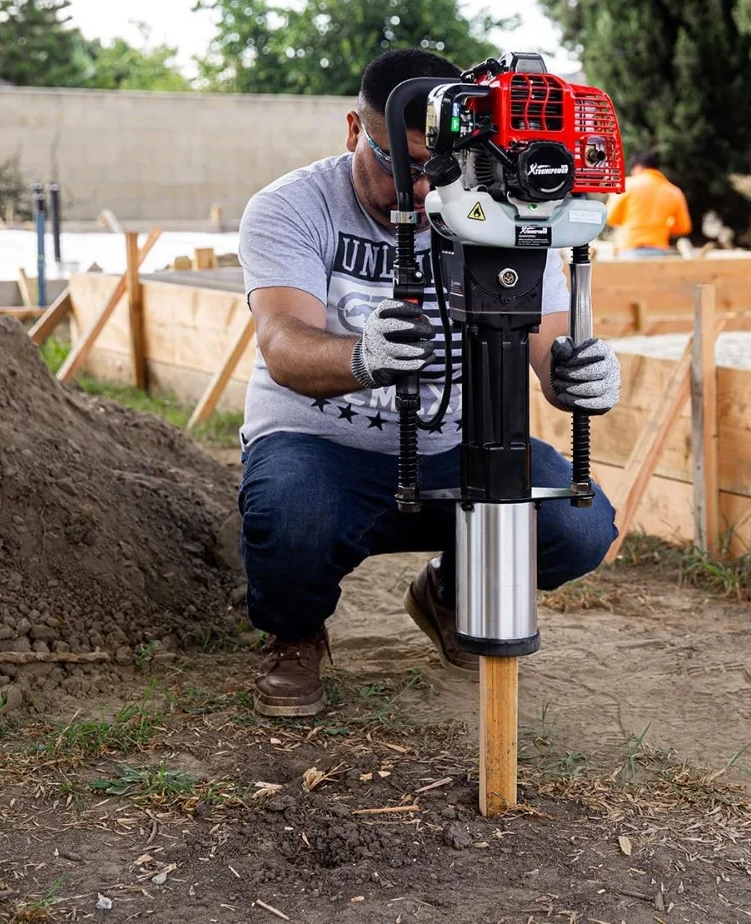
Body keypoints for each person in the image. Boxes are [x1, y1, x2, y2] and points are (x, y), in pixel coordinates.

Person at [237, 48, 622, 717]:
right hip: (319, 448)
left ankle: (449, 592)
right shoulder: (292, 206)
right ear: (355, 131)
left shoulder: (496, 209)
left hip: (453, 450)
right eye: (400, 164)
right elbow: (282, 346)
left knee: (578, 528)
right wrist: (362, 356)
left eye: (436, 168)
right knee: (292, 514)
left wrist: (580, 375)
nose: (420, 190)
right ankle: (294, 633)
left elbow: (549, 345)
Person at [606, 151, 692, 259]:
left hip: (629, 249)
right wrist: (663, 226)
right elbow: (683, 227)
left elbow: (610, 217)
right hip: (659, 251)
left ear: (638, 167)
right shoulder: (674, 191)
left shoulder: (627, 185)